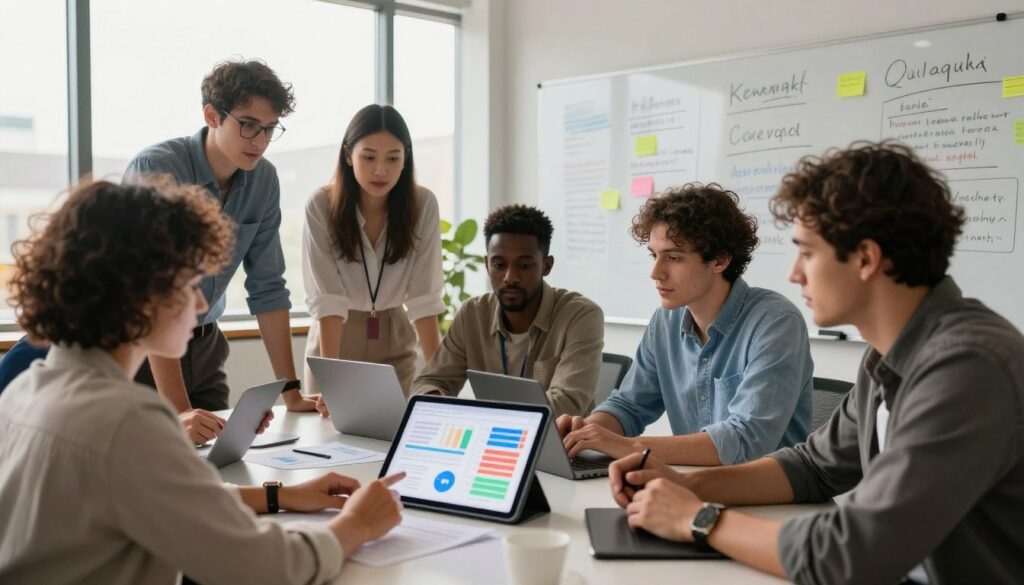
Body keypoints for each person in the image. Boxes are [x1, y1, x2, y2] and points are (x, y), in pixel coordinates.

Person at [607, 142, 1024, 585]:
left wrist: (701, 519)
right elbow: (811, 468)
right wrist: (684, 487)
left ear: (866, 258)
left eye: (807, 251)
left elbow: (856, 551)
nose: (795, 273)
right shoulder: (889, 356)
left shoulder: (966, 367)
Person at [0, 179, 404, 584]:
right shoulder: (126, 421)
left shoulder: (27, 389)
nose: (202, 304)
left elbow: (155, 496)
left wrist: (277, 495)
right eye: (190, 284)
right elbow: (262, 567)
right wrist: (357, 524)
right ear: (138, 292)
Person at [123, 58, 317, 446]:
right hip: (144, 344)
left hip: (205, 346)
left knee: (222, 461)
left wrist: (291, 391)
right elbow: (153, 292)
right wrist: (178, 409)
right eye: (247, 125)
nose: (259, 141)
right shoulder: (158, 168)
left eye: (269, 129)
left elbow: (268, 288)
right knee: (151, 470)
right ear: (212, 115)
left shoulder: (264, 180)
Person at [558, 184, 812, 465]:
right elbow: (629, 406)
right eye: (654, 255)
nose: (656, 273)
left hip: (774, 500)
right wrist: (586, 432)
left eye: (674, 257)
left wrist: (627, 446)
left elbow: (745, 439)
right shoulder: (665, 321)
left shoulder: (775, 323)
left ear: (720, 259)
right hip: (692, 487)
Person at [303, 104, 443, 404]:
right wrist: (333, 376)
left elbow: (423, 298)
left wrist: (440, 379)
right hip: (336, 337)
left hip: (394, 335)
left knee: (390, 439)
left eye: (393, 158)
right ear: (348, 155)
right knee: (328, 439)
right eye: (368, 157)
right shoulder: (321, 206)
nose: (381, 170)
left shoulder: (423, 205)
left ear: (406, 159)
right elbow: (328, 299)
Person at [411, 204, 604, 417]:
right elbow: (429, 382)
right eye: (499, 265)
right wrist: (436, 400)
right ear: (487, 264)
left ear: (546, 266)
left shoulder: (580, 316)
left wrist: (477, 414)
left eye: (524, 265)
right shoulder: (473, 314)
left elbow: (567, 404)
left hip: (557, 443)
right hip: (491, 440)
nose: (510, 277)